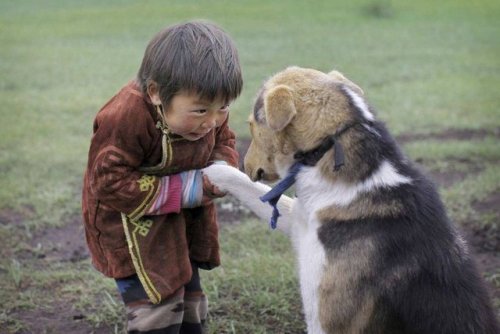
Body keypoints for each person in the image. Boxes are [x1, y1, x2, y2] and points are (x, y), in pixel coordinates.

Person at [81, 20, 242, 333]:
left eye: (222, 107)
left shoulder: (210, 108)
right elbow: (107, 180)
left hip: (178, 221)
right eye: (200, 111)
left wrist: (223, 167)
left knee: (188, 295)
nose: (212, 120)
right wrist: (191, 188)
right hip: (129, 224)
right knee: (157, 309)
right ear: (155, 93)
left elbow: (225, 140)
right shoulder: (126, 115)